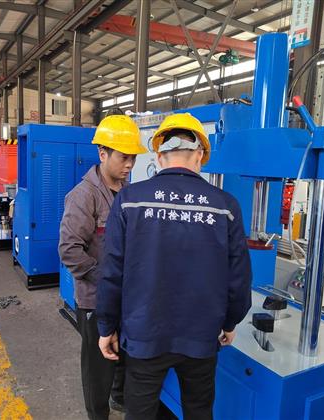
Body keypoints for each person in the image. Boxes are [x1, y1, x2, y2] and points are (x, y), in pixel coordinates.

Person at [96, 113, 252, 420]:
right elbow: (239, 278)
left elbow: (112, 271)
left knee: (140, 413)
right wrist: (230, 322)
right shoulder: (225, 206)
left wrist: (106, 327)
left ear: (158, 156)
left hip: (144, 335)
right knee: (198, 411)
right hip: (201, 335)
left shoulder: (129, 200)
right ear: (200, 155)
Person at [59, 114, 147, 420]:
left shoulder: (128, 192)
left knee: (121, 354)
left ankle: (119, 398)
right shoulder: (83, 197)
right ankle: (98, 413)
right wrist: (108, 280)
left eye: (133, 158)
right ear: (103, 154)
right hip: (96, 299)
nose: (129, 165)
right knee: (98, 366)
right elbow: (69, 250)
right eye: (123, 157)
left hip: (127, 296)